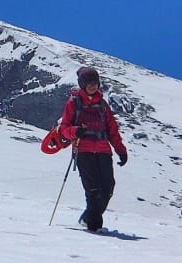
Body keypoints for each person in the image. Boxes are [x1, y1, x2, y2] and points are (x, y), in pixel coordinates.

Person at [59, 66, 128, 232]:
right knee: (93, 190)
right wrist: (76, 131)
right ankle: (94, 228)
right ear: (82, 84)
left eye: (95, 82)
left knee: (108, 188)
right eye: (89, 82)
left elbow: (112, 130)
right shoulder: (73, 103)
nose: (92, 85)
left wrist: (121, 150)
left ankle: (87, 219)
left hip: (104, 151)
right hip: (83, 150)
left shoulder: (103, 105)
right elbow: (64, 128)